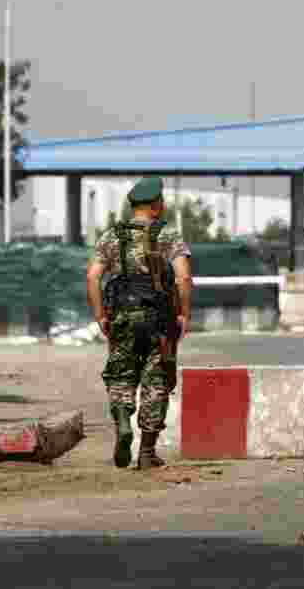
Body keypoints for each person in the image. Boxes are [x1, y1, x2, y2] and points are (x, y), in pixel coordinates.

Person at [86, 177, 193, 470]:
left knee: (121, 375)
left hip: (121, 316)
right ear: (155, 205)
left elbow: (93, 276)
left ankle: (123, 421)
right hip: (159, 321)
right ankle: (146, 453)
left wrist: (100, 316)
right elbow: (183, 277)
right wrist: (184, 314)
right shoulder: (167, 234)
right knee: (156, 381)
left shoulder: (112, 236)